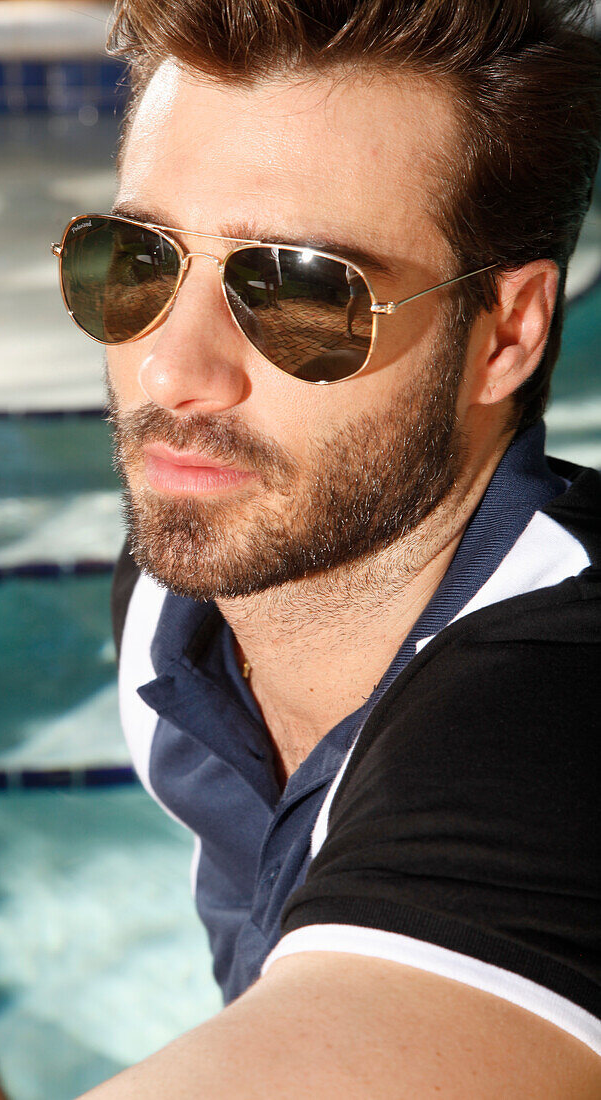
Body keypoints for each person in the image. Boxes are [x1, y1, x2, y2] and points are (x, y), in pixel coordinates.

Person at [60, 0, 601, 1095]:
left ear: (506, 333)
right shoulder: (180, 608)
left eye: (303, 292)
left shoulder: (562, 707)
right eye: (136, 259)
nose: (173, 372)